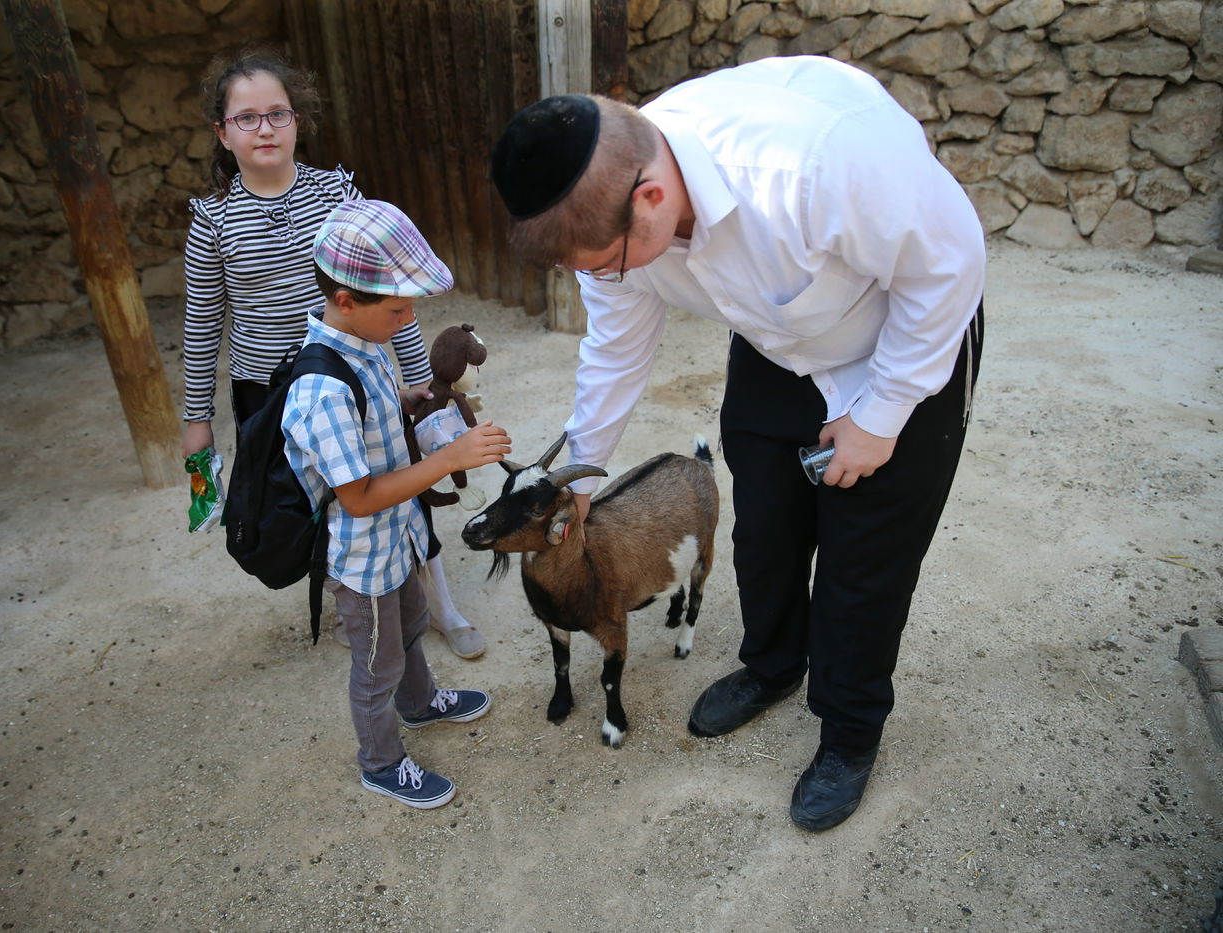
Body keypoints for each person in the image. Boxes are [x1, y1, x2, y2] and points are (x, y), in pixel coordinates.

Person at [489, 55, 986, 831]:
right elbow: (618, 349)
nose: (604, 280)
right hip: (774, 339)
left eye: (604, 267)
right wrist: (578, 477)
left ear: (650, 198)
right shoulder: (608, 214)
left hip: (900, 339)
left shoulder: (816, 164)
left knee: (864, 562)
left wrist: (882, 413)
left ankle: (851, 733)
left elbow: (950, 264)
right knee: (764, 529)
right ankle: (772, 666)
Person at [180, 45, 485, 659]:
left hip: (355, 373)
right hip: (269, 393)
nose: (264, 127)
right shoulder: (211, 220)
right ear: (222, 132)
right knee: (315, 502)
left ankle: (442, 605)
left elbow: (387, 288)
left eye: (278, 113)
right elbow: (201, 324)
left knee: (396, 484)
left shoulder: (337, 195)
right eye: (247, 118)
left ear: (297, 121)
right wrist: (195, 423)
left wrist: (420, 379)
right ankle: (356, 608)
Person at [286, 198, 511, 808]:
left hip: (397, 541)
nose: (410, 317)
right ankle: (380, 761)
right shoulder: (323, 388)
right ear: (346, 301)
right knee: (376, 663)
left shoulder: (361, 348)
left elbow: (377, 417)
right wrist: (448, 459)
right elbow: (357, 498)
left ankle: (419, 705)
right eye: (398, 307)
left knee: (412, 624)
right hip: (363, 558)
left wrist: (411, 400)